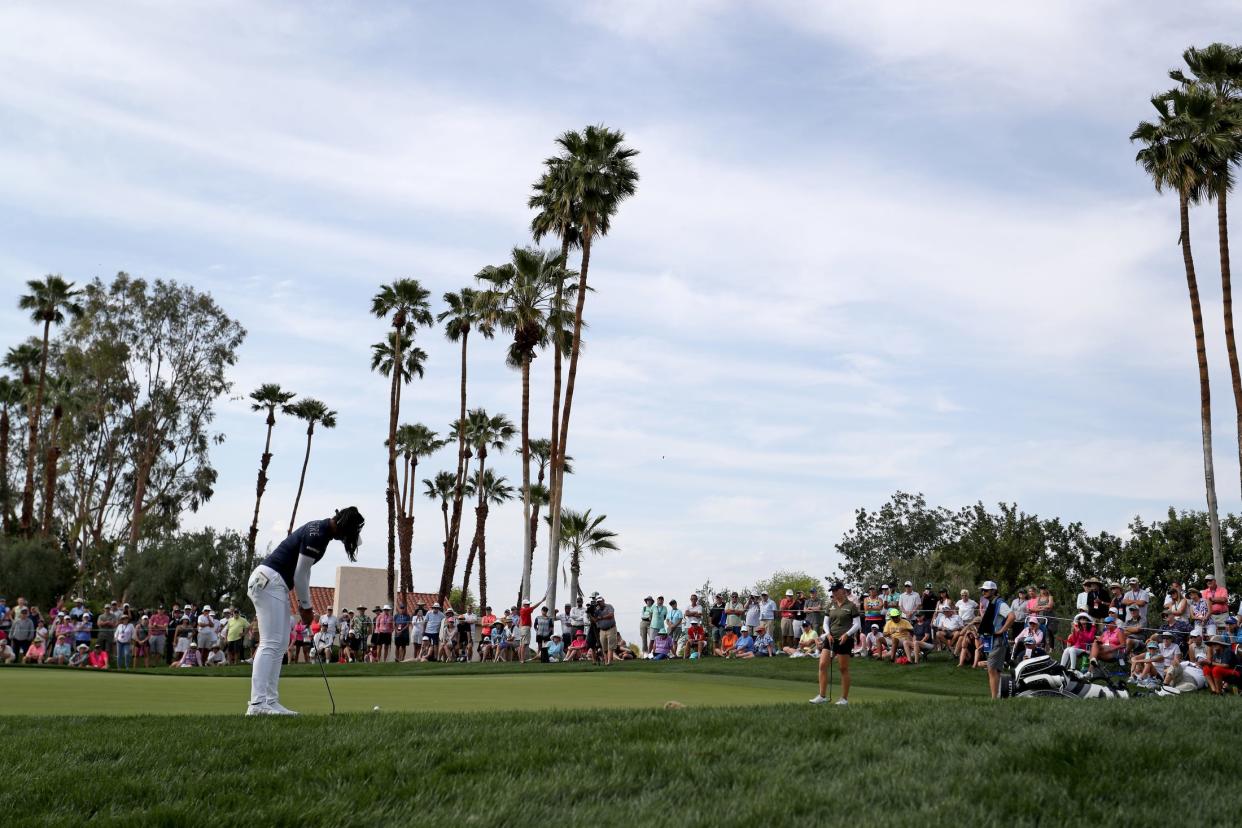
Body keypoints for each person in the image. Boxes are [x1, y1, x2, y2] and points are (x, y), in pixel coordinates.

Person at [246, 506, 363, 716]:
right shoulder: (318, 534)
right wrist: (305, 607)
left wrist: (305, 604)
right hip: (269, 581)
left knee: (280, 642)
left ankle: (270, 702)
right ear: (343, 526)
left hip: (274, 583)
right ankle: (256, 705)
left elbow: (304, 572)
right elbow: (299, 575)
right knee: (270, 642)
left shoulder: (321, 533)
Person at [811, 581, 860, 705]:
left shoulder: (851, 606)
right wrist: (827, 634)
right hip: (831, 638)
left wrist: (847, 634)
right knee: (822, 664)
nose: (833, 593)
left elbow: (857, 624)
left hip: (845, 639)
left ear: (842, 590)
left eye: (835, 590)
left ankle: (844, 699)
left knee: (843, 668)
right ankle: (822, 696)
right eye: (832, 591)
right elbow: (825, 623)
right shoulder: (831, 605)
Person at [978, 580, 1013, 698]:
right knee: (995, 670)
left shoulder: (999, 603)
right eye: (983, 590)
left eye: (986, 590)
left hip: (998, 640)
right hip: (992, 640)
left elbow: (1012, 616)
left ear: (993, 591)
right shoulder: (992, 603)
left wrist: (1002, 630)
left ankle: (994, 699)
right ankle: (996, 697)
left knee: (992, 669)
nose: (984, 592)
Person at [593, 596, 618, 665]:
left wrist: (601, 617)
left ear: (603, 600)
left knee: (610, 646)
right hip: (602, 630)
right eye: (598, 602)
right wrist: (590, 613)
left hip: (611, 628)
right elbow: (594, 619)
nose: (599, 603)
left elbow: (611, 615)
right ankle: (606, 661)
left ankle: (609, 662)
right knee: (604, 647)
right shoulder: (597, 610)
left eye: (600, 601)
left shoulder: (609, 606)